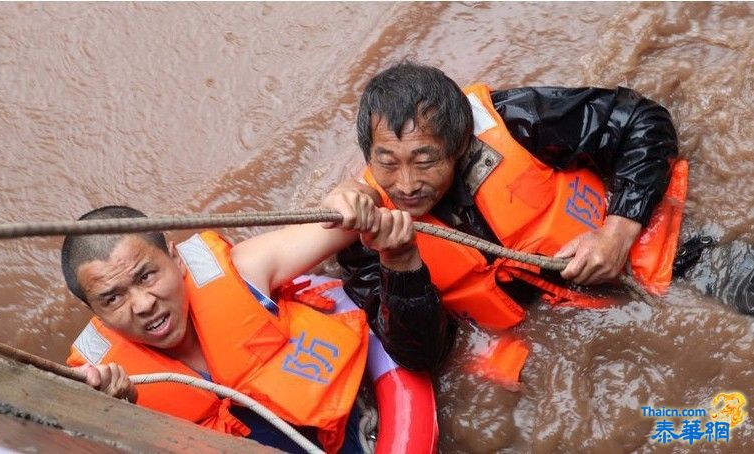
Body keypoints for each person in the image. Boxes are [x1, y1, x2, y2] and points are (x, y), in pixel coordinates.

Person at [321, 61, 682, 378]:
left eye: (425, 160)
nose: (406, 184)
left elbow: (643, 120)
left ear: (460, 144)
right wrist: (399, 263)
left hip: (656, 260)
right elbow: (420, 357)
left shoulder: (520, 122)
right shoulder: (369, 235)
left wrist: (617, 232)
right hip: (557, 346)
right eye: (387, 162)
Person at [62, 205, 439, 453]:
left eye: (147, 276)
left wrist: (352, 199)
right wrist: (119, 416)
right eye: (112, 299)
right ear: (93, 312)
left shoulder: (243, 272)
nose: (143, 304)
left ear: (176, 258)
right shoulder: (100, 383)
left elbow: (350, 220)